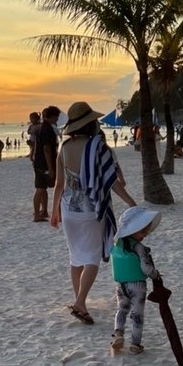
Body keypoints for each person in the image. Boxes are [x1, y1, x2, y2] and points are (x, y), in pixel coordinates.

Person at [50, 101, 136, 325]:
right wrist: (130, 201)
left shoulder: (64, 147)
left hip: (68, 210)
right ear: (90, 123)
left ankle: (80, 300)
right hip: (91, 210)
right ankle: (80, 302)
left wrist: (54, 211)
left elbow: (59, 184)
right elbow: (111, 183)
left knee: (76, 257)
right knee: (92, 258)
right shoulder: (98, 148)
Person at [109, 207, 162, 354]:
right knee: (137, 315)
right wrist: (155, 275)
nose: (145, 235)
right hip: (137, 285)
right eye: (142, 231)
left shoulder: (117, 245)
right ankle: (135, 344)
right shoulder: (139, 247)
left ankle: (118, 334)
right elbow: (146, 268)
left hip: (121, 285)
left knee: (121, 309)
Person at [32, 105, 60, 221]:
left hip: (39, 162)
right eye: (56, 117)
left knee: (42, 188)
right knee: (41, 188)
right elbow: (46, 149)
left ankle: (43, 212)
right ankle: (38, 214)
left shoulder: (44, 127)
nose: (57, 119)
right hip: (43, 164)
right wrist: (51, 167)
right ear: (52, 116)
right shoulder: (47, 129)